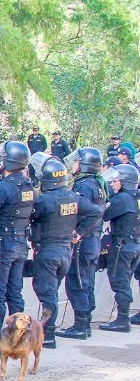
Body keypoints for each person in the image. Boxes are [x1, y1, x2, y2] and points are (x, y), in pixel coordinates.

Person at [28, 156, 100, 348]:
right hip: (65, 252)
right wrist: (78, 232)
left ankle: (47, 335)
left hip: (48, 252)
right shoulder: (73, 197)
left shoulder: (44, 200)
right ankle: (46, 331)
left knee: (48, 294)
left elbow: (30, 216)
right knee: (51, 292)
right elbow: (95, 212)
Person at [0, 141, 36, 358]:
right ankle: (19, 338)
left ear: (7, 161)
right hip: (20, 243)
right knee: (14, 293)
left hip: (2, 244)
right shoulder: (28, 186)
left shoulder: (3, 187)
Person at [59, 149, 110, 339]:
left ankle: (80, 325)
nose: (74, 165)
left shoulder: (85, 186)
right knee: (86, 280)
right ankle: (85, 322)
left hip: (84, 241)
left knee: (76, 281)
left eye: (77, 162)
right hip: (93, 240)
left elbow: (92, 213)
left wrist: (78, 232)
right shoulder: (97, 184)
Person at [97, 164, 140, 332]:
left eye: (115, 181)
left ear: (125, 182)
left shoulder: (123, 199)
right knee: (125, 281)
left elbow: (104, 214)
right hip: (134, 244)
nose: (113, 184)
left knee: (120, 282)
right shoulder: (136, 197)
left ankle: (122, 321)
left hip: (122, 246)